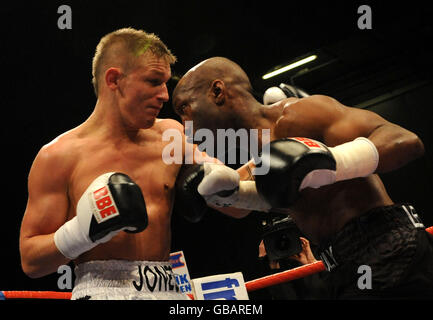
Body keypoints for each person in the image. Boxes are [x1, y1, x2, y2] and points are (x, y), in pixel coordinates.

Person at [171, 56, 433, 299]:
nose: (184, 124)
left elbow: (405, 141)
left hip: (387, 245)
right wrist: (217, 190)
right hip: (338, 264)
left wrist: (328, 162)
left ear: (217, 92)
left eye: (185, 108)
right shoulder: (264, 158)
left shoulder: (299, 116)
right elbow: (239, 205)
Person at [19, 29, 243, 300]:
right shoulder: (59, 155)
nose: (164, 95)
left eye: (165, 83)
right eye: (153, 81)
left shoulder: (170, 136)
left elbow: (237, 203)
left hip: (168, 289)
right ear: (114, 79)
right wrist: (83, 231)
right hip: (99, 289)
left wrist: (272, 155)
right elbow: (31, 261)